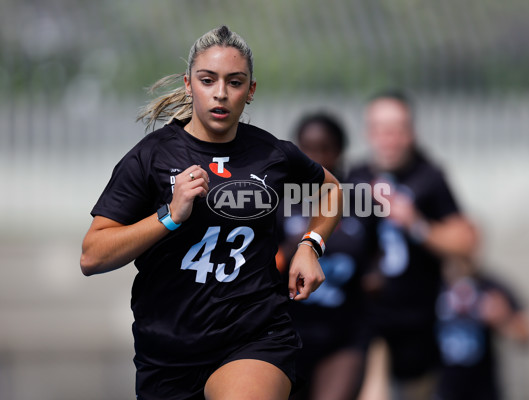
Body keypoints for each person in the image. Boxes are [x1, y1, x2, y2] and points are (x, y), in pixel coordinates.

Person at [80, 26, 342, 400]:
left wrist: (310, 245)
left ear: (250, 91)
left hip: (254, 335)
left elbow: (331, 189)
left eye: (234, 82)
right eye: (208, 80)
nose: (221, 93)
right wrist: (169, 215)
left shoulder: (273, 154)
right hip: (168, 350)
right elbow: (92, 255)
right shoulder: (150, 157)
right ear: (189, 84)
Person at [350, 91, 478, 400]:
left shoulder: (430, 177)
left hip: (418, 319)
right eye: (380, 129)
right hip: (368, 319)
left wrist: (415, 223)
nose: (387, 139)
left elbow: (466, 241)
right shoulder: (355, 177)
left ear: (410, 133)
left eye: (395, 130)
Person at [276, 113, 375, 400]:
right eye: (308, 148)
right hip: (288, 332)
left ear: (340, 151)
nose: (316, 157)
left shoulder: (359, 200)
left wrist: (375, 276)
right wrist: (298, 244)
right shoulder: (280, 200)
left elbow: (378, 251)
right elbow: (264, 265)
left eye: (325, 148)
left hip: (343, 333)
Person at [435, 255, 529, 400]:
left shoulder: (490, 286)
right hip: (441, 386)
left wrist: (503, 319)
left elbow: (528, 334)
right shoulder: (431, 282)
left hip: (484, 388)